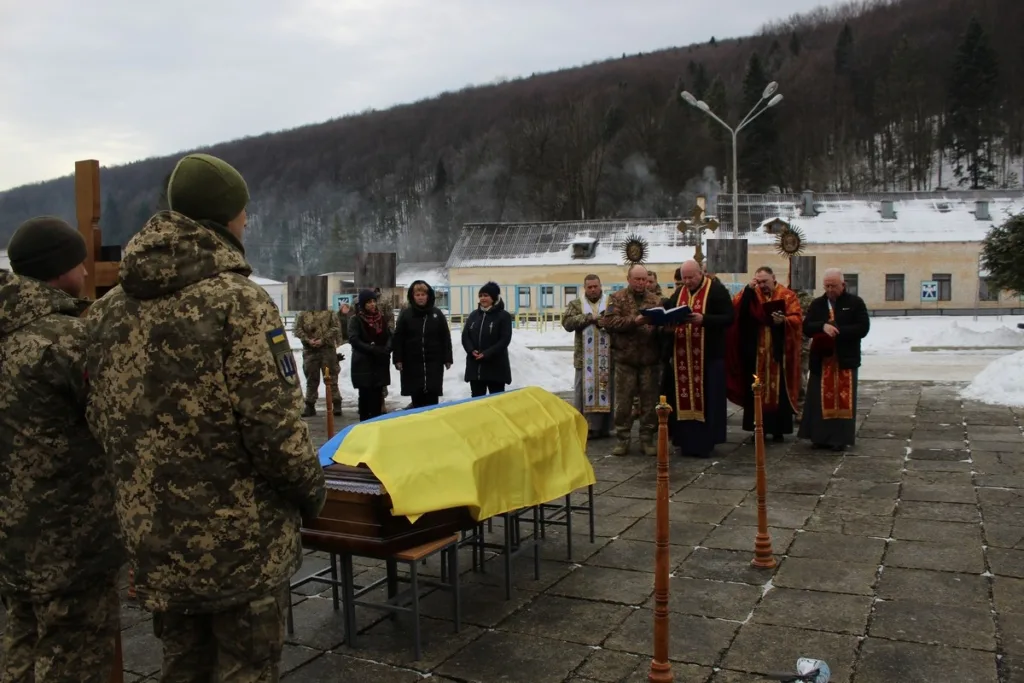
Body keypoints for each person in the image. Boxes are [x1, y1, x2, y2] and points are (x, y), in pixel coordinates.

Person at [83, 153, 327, 682]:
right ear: (226, 218)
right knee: (246, 668)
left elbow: (100, 421)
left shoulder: (105, 313)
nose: (246, 221)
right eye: (243, 212)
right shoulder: (238, 302)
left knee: (182, 667)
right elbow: (277, 432)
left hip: (156, 543)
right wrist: (313, 494)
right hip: (241, 545)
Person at [0, 218, 122, 682]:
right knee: (73, 657)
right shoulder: (65, 340)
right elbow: (115, 423)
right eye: (79, 262)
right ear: (59, 270)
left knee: (22, 643)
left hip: (13, 537)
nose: (88, 271)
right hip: (72, 539)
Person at [661, 259, 735, 458]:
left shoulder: (716, 290)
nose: (687, 282)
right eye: (684, 278)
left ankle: (705, 442)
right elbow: (668, 310)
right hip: (683, 359)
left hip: (708, 358)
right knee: (682, 399)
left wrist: (705, 319)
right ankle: (685, 442)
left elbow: (729, 317)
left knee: (708, 400)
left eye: (691, 277)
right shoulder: (679, 293)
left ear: (700, 273)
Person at [725, 265, 804, 443]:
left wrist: (783, 320)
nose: (762, 285)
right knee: (756, 390)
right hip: (756, 353)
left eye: (765, 281)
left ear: (773, 278)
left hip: (779, 356)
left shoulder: (787, 295)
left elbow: (797, 319)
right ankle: (757, 428)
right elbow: (735, 310)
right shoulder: (752, 293)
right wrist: (747, 291)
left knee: (779, 392)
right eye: (759, 282)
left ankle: (778, 430)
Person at [799, 269, 871, 451]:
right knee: (818, 399)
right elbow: (807, 327)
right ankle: (819, 437)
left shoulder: (855, 303)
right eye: (827, 286)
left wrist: (837, 330)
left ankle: (839, 439)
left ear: (843, 285)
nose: (830, 289)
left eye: (834, 286)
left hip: (845, 359)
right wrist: (822, 326)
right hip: (822, 360)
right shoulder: (818, 304)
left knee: (842, 399)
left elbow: (863, 328)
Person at [602, 264, 664, 456]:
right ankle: (623, 438)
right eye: (637, 279)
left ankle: (647, 438)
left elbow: (660, 326)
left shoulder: (656, 300)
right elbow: (609, 322)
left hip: (649, 360)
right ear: (629, 279)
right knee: (624, 402)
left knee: (649, 401)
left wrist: (665, 327)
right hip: (625, 360)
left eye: (644, 279)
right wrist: (633, 322)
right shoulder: (616, 298)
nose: (641, 283)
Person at [561, 274, 614, 438]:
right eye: (589, 287)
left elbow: (619, 321)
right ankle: (586, 426)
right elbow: (567, 323)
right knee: (583, 392)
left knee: (606, 389)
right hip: (585, 359)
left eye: (595, 286)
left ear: (600, 286)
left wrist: (607, 322)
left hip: (607, 356)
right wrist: (590, 318)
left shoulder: (611, 302)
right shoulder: (576, 304)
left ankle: (604, 427)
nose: (593, 290)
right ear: (585, 288)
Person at [392, 280, 453, 408]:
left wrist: (448, 357)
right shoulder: (406, 315)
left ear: (428, 296)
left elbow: (445, 337)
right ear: (412, 296)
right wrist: (398, 358)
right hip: (412, 362)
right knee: (417, 395)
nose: (420, 298)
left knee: (432, 396)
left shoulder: (437, 314)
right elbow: (398, 338)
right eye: (417, 295)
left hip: (433, 362)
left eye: (423, 295)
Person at [461, 281, 513, 397]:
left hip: (495, 368)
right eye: (480, 296)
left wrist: (487, 353)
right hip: (475, 368)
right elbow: (465, 336)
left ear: (494, 297)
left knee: (497, 401)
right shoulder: (474, 315)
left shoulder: (503, 316)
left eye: (486, 295)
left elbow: (504, 340)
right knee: (477, 402)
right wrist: (471, 350)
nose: (482, 298)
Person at [348, 289, 393, 420]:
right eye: (368, 302)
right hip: (363, 363)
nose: (372, 304)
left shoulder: (381, 319)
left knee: (378, 396)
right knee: (365, 397)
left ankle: (376, 422)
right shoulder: (356, 319)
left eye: (374, 301)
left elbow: (389, 334)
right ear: (363, 304)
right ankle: (364, 423)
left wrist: (387, 348)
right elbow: (354, 339)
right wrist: (371, 349)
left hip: (379, 363)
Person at [293, 307, 344, 417]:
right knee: (311, 379)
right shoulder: (303, 313)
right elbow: (296, 329)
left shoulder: (330, 312)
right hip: (310, 351)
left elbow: (336, 328)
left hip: (327, 350)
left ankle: (336, 403)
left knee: (331, 378)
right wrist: (308, 339)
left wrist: (323, 339)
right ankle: (310, 405)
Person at [795, 288, 815, 411]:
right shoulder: (784, 296)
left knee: (801, 377)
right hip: (787, 343)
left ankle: (801, 408)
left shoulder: (809, 300)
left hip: (803, 343)